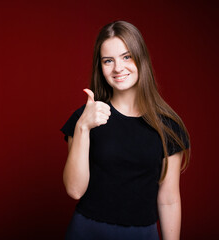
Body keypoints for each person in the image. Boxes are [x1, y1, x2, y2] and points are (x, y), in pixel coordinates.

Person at [60, 20, 190, 240]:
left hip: (142, 234)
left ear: (141, 58)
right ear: (100, 67)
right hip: (87, 232)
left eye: (126, 57)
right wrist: (83, 127)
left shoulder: (167, 125)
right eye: (108, 61)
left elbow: (168, 200)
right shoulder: (85, 118)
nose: (118, 68)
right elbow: (74, 190)